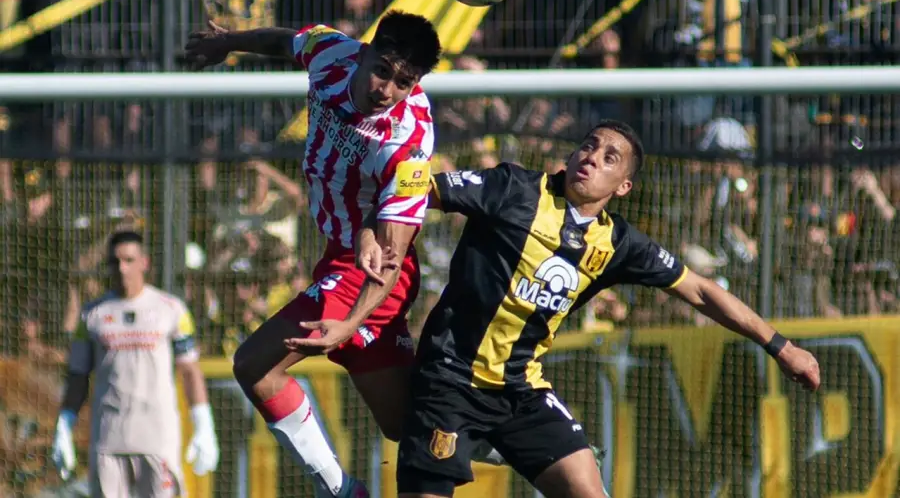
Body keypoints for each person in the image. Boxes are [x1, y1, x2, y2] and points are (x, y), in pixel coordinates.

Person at [302, 120, 822, 498]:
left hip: (521, 392)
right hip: (449, 384)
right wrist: (370, 226)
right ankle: (473, 442)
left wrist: (781, 346)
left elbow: (701, 291)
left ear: (622, 187)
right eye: (588, 146)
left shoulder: (617, 243)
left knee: (588, 491)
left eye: (609, 156)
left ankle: (494, 443)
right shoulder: (513, 189)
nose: (591, 157)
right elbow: (419, 188)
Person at [183, 11, 449, 498]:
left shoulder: (408, 143)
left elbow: (391, 253)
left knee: (254, 365)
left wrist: (350, 321)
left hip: (371, 273)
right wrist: (231, 43)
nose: (387, 88)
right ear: (364, 50)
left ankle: (342, 492)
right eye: (383, 69)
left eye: (404, 82)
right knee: (410, 428)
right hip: (341, 253)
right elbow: (287, 40)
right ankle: (525, 440)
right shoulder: (332, 54)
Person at [51, 231, 220, 498]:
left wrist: (204, 425)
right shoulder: (92, 315)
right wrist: (63, 427)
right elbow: (77, 376)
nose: (122, 268)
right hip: (109, 440)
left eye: (129, 260)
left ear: (145, 262)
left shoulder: (172, 310)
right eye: (115, 261)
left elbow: (190, 370)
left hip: (158, 439)